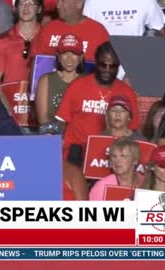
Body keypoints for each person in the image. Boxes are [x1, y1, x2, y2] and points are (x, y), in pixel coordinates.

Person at [56, 42, 139, 200]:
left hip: (113, 158)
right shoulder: (78, 85)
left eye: (112, 66)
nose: (107, 70)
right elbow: (60, 122)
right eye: (103, 64)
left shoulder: (126, 92)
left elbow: (132, 130)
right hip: (77, 154)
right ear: (95, 61)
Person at [30, 0, 109, 62]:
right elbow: (36, 62)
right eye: (58, 1)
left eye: (62, 1)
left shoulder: (98, 32)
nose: (58, 6)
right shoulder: (48, 29)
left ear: (79, 3)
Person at [0, 0, 44, 84]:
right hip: (9, 95)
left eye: (31, 3)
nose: (26, 8)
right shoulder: (3, 40)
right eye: (22, 3)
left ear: (39, 9)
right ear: (16, 8)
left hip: (39, 95)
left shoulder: (48, 37)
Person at [35, 33, 85, 124]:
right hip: (51, 135)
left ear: (81, 57)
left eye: (74, 53)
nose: (69, 58)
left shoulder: (88, 82)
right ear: (58, 56)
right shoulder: (45, 80)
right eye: (65, 53)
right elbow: (42, 119)